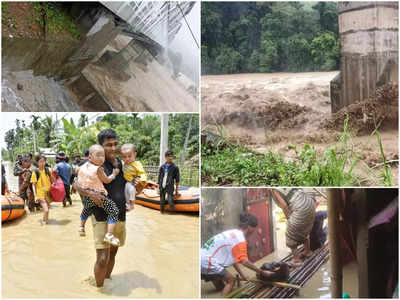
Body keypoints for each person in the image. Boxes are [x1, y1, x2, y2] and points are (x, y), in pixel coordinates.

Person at [73, 129, 128, 288]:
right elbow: (75, 183)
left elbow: (123, 183)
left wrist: (136, 187)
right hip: (100, 215)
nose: (112, 148)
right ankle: (99, 291)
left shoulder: (119, 162)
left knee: (113, 252)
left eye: (115, 144)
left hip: (120, 214)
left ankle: (106, 282)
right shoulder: (92, 162)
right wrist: (89, 193)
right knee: (103, 257)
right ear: (100, 147)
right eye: (108, 145)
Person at [201, 212, 275, 296]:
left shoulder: (233, 232)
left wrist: (242, 275)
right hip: (208, 262)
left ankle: (219, 287)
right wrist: (261, 271)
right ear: (250, 227)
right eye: (254, 228)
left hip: (201, 257)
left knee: (220, 286)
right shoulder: (240, 240)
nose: (254, 231)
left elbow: (234, 260)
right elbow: (245, 262)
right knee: (231, 280)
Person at [76, 144, 120, 246]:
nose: (101, 158)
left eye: (103, 155)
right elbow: (107, 180)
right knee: (113, 210)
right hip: (99, 196)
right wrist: (114, 174)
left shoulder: (81, 167)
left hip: (86, 196)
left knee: (87, 209)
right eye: (98, 155)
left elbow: (77, 180)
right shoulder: (99, 169)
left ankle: (81, 227)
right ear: (90, 157)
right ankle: (109, 235)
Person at [271, 189, 316, 266]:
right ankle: (307, 252)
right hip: (309, 203)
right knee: (304, 229)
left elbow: (284, 206)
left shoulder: (273, 189)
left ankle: (296, 260)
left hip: (301, 207)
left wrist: (289, 219)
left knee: (291, 233)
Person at [120, 143, 147, 211]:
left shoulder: (136, 164)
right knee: (126, 190)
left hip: (132, 182)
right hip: (127, 182)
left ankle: (132, 204)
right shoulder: (123, 164)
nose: (127, 159)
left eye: (129, 156)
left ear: (134, 154)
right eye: (124, 157)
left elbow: (142, 172)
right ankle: (127, 203)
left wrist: (141, 181)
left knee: (131, 190)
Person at [30, 156, 53, 224]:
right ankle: (44, 223)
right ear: (37, 162)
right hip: (40, 194)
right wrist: (35, 196)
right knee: (46, 210)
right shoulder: (35, 172)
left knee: (47, 208)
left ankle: (45, 220)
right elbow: (33, 185)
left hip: (48, 193)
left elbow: (52, 179)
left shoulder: (48, 170)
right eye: (40, 161)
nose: (42, 163)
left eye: (43, 161)